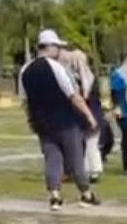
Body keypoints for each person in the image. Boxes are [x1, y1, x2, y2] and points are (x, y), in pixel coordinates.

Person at [19, 29, 100, 210]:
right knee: (75, 159)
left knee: (52, 159)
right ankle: (86, 194)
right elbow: (73, 95)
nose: (60, 51)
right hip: (65, 121)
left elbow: (24, 100)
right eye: (57, 47)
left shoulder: (24, 70)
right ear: (49, 46)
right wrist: (89, 116)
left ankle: (55, 196)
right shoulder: (55, 67)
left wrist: (33, 120)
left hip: (42, 123)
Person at [60, 47, 104, 182]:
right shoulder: (86, 76)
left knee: (90, 144)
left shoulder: (79, 79)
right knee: (86, 144)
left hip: (87, 113)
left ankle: (92, 171)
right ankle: (86, 171)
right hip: (87, 113)